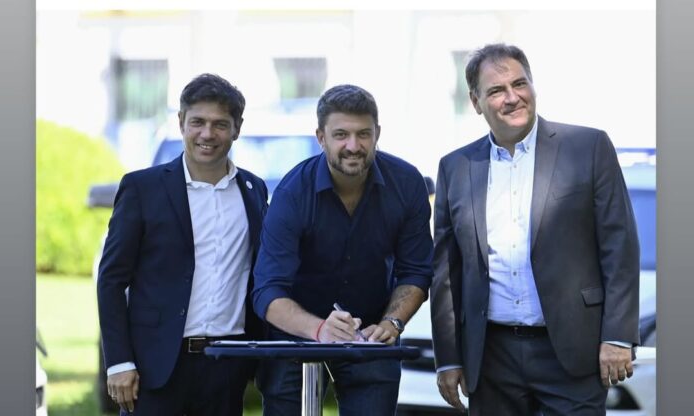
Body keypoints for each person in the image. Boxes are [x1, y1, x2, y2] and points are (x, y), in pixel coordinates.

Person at [430, 43, 640, 415]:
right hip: (490, 358)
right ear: (476, 102)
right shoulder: (455, 167)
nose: (512, 97)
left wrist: (618, 336)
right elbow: (446, 271)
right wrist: (448, 357)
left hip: (573, 349)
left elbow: (619, 246)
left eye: (519, 84)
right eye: (497, 90)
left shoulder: (587, 147)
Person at [252, 84, 434, 416]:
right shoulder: (293, 192)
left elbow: (416, 271)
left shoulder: (407, 183)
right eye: (341, 135)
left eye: (363, 134)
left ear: (377, 134)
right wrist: (320, 329)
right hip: (295, 329)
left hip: (371, 329)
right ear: (321, 137)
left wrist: (392, 322)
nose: (353, 145)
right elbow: (267, 290)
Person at [97, 73, 268, 416]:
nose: (207, 134)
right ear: (181, 122)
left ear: (237, 128)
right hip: (154, 367)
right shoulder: (142, 189)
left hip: (226, 366)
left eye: (220, 124)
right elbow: (111, 280)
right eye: (198, 122)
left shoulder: (254, 191)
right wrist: (119, 362)